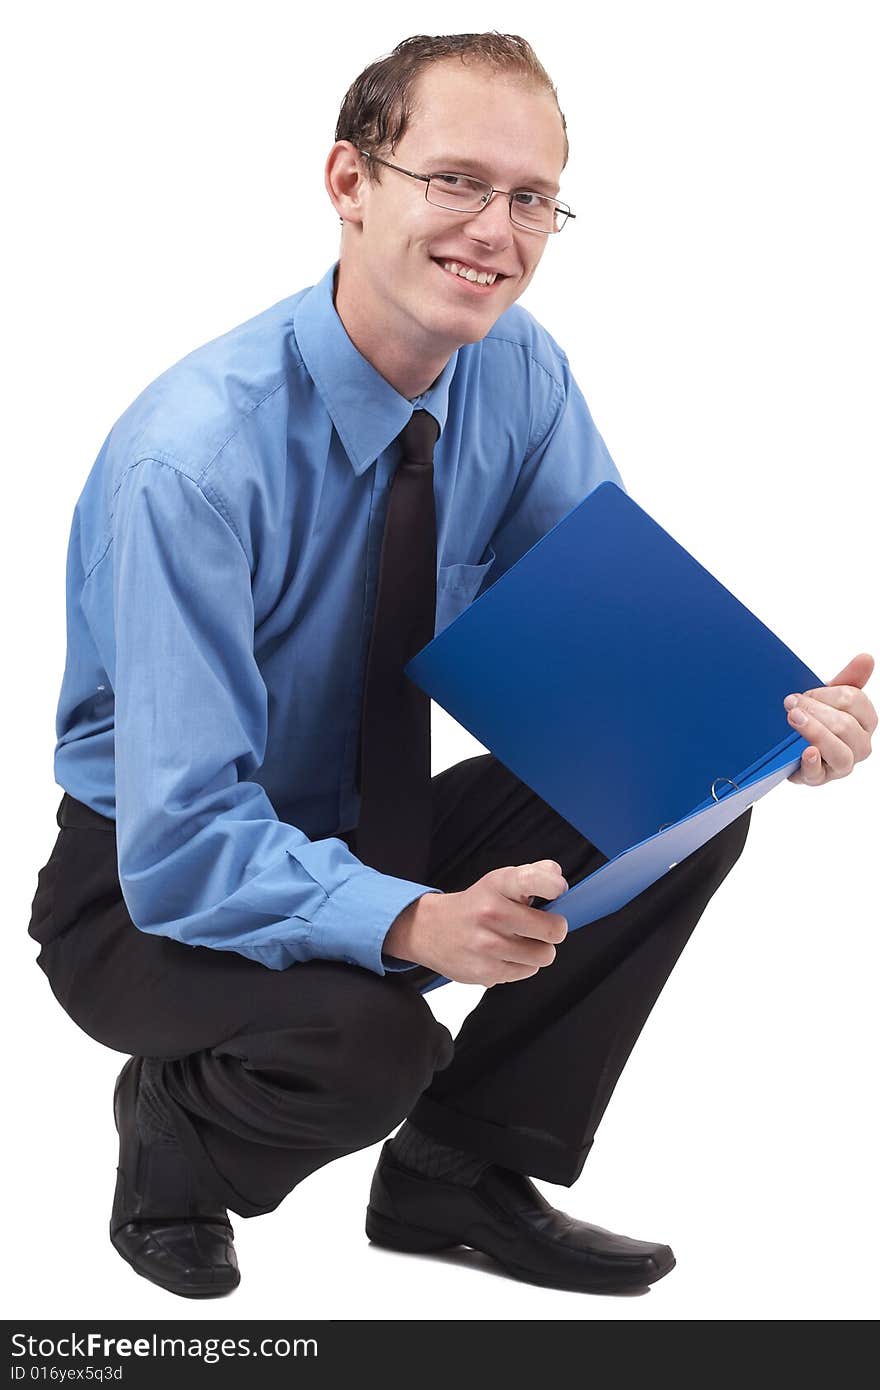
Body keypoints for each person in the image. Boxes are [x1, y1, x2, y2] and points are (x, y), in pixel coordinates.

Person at [27, 32, 876, 1302]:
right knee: (369, 1044)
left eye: (532, 196)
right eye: (456, 180)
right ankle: (175, 1139)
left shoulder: (516, 372)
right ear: (349, 180)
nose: (497, 229)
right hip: (150, 882)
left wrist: (766, 732)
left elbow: (606, 653)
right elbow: (188, 833)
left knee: (691, 797)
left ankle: (455, 1173)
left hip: (376, 820)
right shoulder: (191, 463)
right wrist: (414, 921)